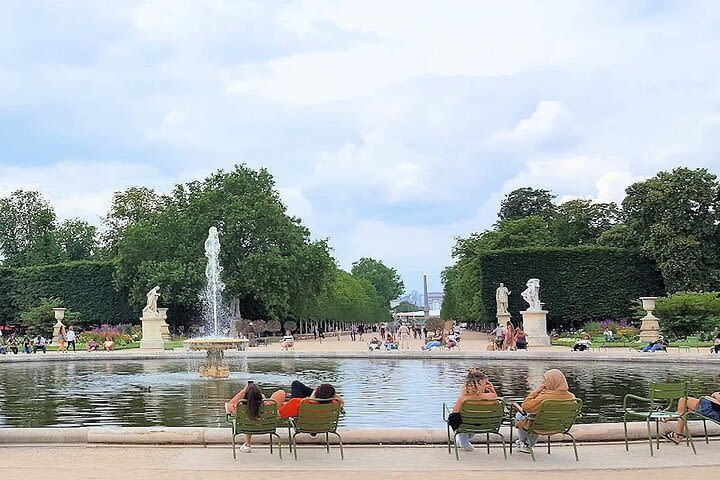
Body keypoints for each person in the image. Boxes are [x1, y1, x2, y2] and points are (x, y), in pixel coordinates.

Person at [514, 369, 576, 453]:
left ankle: (524, 443)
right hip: (559, 426)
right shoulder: (571, 397)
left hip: (540, 426)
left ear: (552, 382)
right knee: (535, 417)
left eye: (545, 381)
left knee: (520, 415)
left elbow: (525, 407)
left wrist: (536, 392)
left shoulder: (546, 398)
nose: (544, 384)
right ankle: (527, 443)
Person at [449, 368, 498, 451]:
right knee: (473, 419)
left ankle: (462, 440)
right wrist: (493, 391)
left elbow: (454, 415)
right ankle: (462, 440)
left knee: (458, 418)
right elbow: (496, 408)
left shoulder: (463, 399)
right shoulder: (492, 397)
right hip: (485, 425)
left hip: (466, 425)